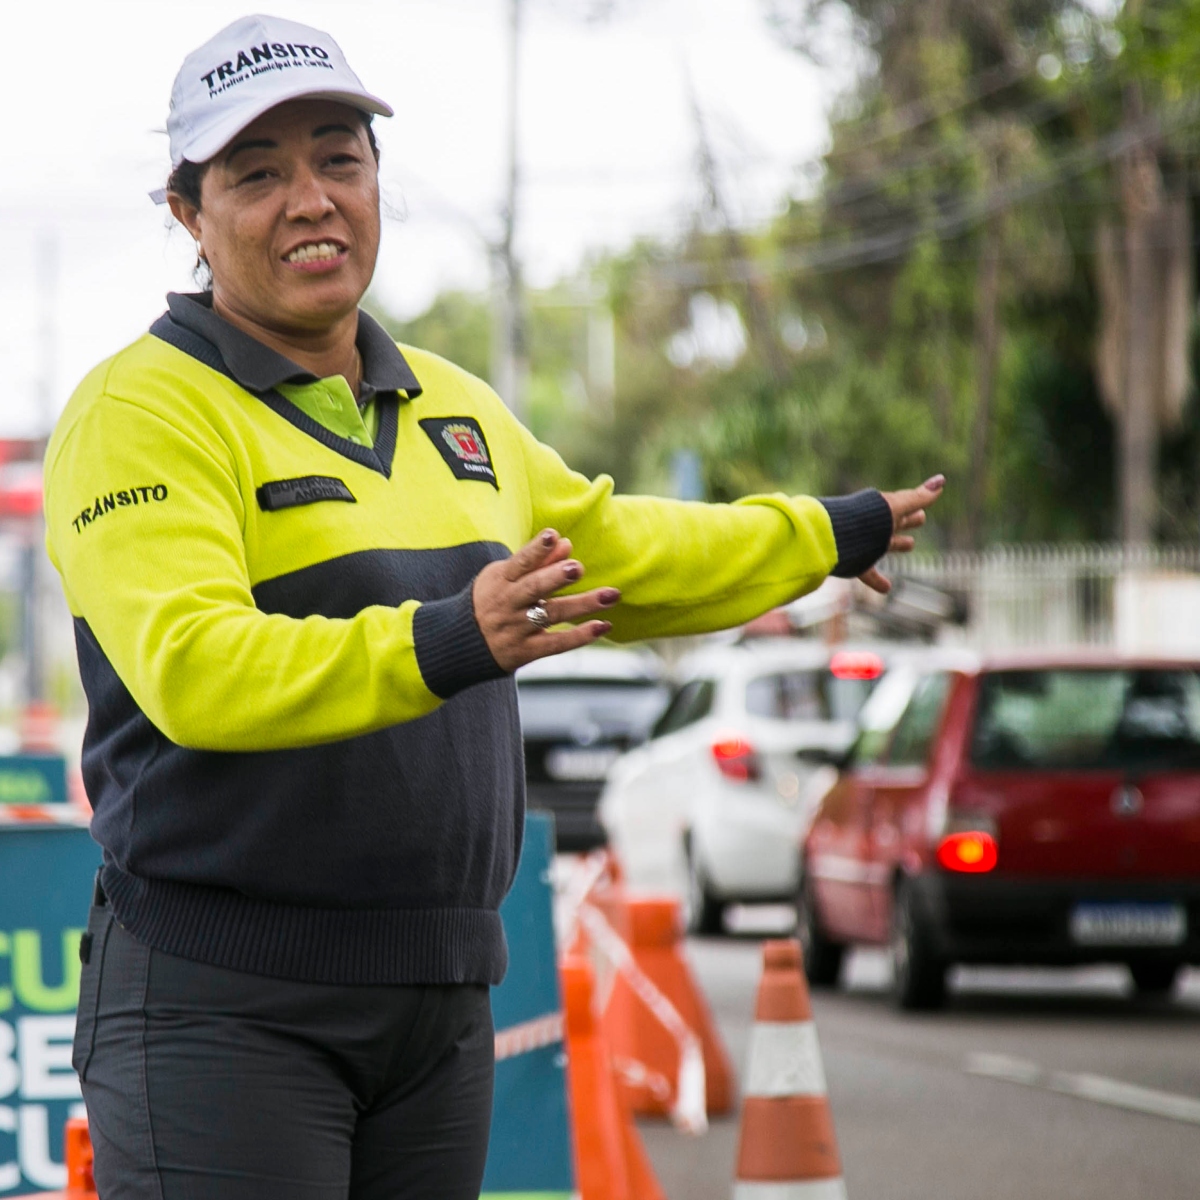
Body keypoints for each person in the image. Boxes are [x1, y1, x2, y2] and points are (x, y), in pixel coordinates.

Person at [45, 14, 943, 1200]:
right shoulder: (142, 412)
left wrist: (823, 535)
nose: (310, 198)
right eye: (257, 173)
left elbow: (627, 552)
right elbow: (199, 669)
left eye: (339, 158)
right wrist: (451, 636)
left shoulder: (454, 409)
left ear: (375, 181)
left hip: (442, 1002)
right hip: (224, 1004)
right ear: (188, 213)